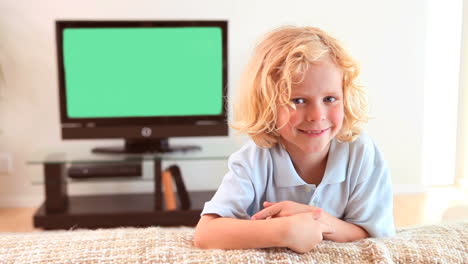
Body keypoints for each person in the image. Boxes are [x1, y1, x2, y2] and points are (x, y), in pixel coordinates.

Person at [193, 26, 395, 253]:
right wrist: (284, 231)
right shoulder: (254, 159)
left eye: (330, 98)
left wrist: (315, 220)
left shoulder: (361, 152)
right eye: (298, 100)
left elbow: (374, 234)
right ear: (267, 105)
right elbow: (206, 233)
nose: (317, 116)